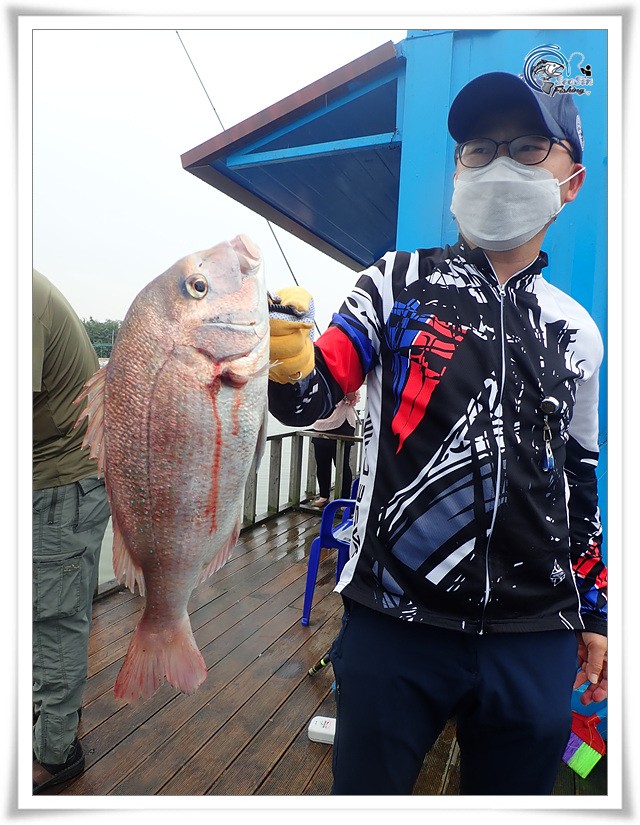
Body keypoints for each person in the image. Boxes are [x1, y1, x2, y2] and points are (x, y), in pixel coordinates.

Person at [267, 72, 608, 795]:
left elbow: (578, 481)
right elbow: (313, 393)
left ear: (571, 181)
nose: (499, 163)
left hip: (534, 633)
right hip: (392, 621)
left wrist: (596, 613)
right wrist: (287, 359)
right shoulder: (393, 283)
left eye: (527, 146)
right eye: (479, 149)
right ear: (457, 173)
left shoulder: (578, 330)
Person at [32, 269, 111, 794]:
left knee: (55, 620)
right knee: (43, 612)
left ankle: (56, 754)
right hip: (56, 481)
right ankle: (46, 718)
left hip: (61, 485)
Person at [310, 390, 360, 508]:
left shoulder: (349, 380)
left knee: (342, 464)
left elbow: (352, 397)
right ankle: (324, 496)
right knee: (322, 463)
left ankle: (344, 499)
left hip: (342, 423)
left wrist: (345, 387)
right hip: (321, 422)